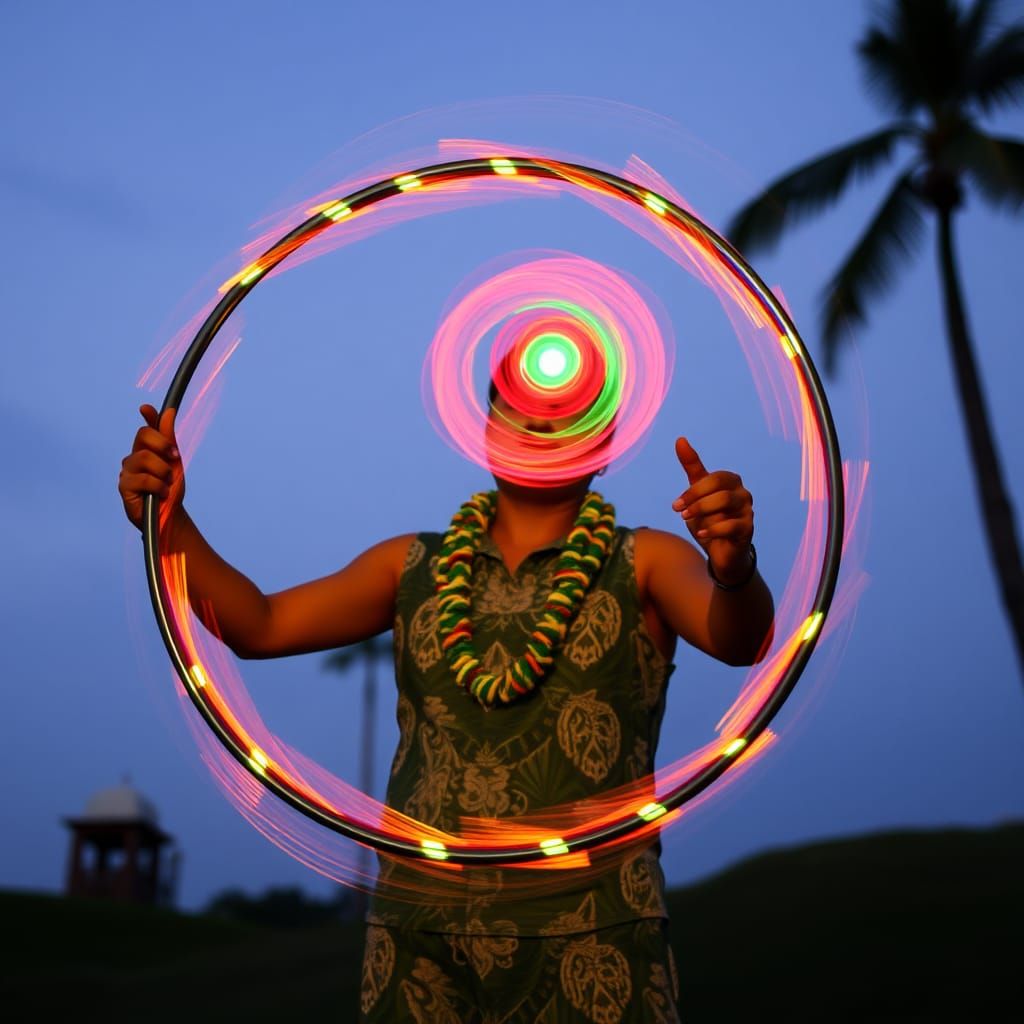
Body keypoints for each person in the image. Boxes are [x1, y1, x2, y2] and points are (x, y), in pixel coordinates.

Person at [119, 386, 773, 1022]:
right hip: (418, 937)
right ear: (485, 430)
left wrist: (734, 566)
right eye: (520, 406)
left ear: (603, 443)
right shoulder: (410, 565)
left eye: (566, 411)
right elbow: (258, 626)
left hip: (596, 927)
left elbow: (740, 639)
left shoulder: (647, 559)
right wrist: (169, 522)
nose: (539, 424)